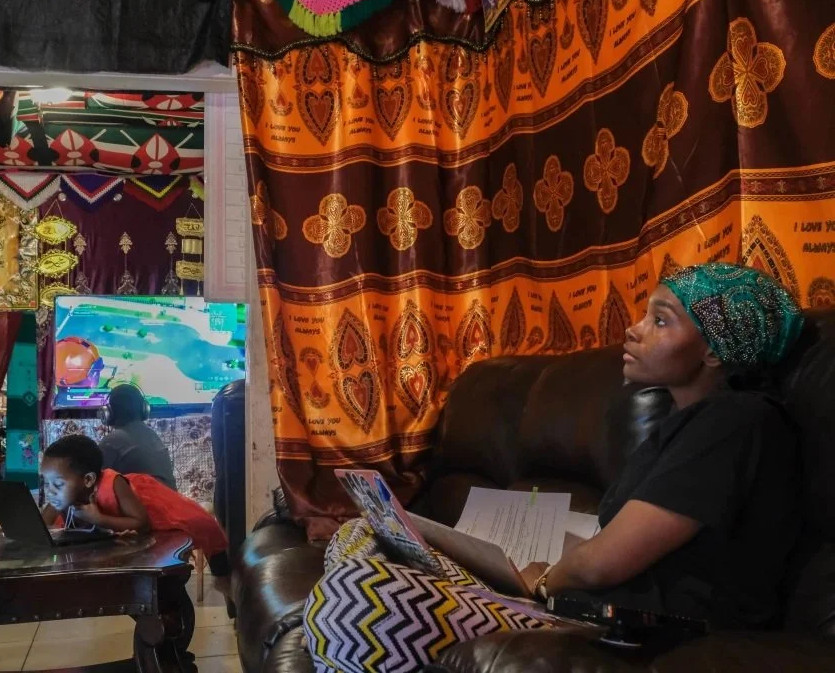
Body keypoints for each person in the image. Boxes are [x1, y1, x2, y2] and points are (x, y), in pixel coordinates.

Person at [304, 263, 805, 673]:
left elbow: (603, 562)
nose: (633, 328)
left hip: (640, 630)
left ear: (715, 349)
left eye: (661, 320)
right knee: (357, 538)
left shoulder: (737, 421)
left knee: (357, 594)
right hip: (577, 601)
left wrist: (541, 582)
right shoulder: (682, 423)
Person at [40, 434, 232, 587]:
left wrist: (98, 519)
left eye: (57, 484)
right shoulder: (64, 493)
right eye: (46, 483)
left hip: (152, 509)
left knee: (201, 524)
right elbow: (44, 524)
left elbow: (141, 522)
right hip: (117, 519)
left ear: (88, 480)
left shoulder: (114, 484)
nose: (50, 490)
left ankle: (226, 584)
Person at [97, 384, 178, 491]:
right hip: (172, 504)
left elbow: (94, 483)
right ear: (144, 409)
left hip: (145, 506)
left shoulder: (111, 441)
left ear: (108, 413)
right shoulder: (153, 436)